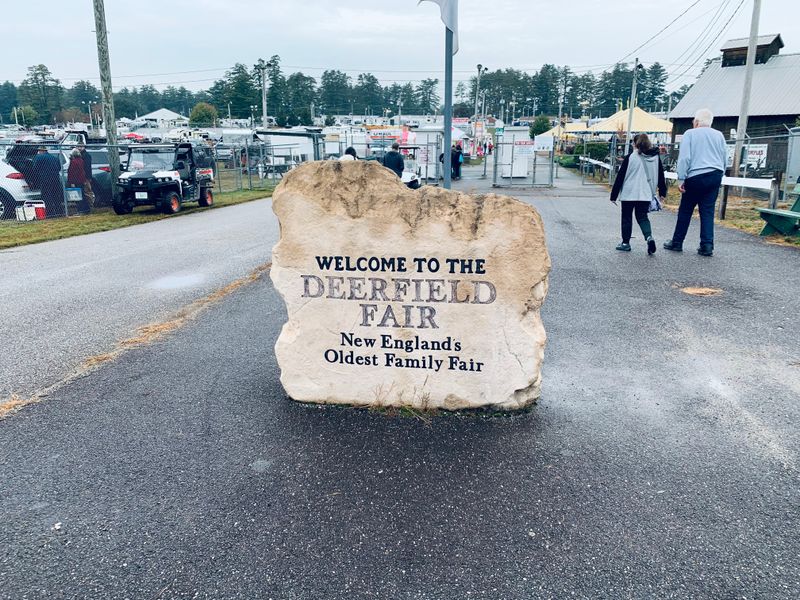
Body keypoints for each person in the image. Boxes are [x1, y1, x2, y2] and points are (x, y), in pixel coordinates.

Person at [663, 108, 727, 257]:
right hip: (715, 174)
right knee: (707, 211)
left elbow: (685, 158)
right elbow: (725, 157)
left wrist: (681, 178)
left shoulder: (690, 134)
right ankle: (707, 245)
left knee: (685, 210)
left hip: (695, 176)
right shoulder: (719, 135)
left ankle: (677, 242)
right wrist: (720, 174)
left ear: (697, 121)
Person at [610, 133, 666, 255]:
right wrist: (663, 192)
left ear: (635, 144)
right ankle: (649, 237)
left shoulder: (630, 157)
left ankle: (625, 243)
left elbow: (620, 177)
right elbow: (661, 175)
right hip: (645, 193)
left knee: (626, 217)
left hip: (629, 193)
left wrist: (614, 195)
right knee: (642, 217)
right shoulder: (655, 157)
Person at [32, 146, 64, 218]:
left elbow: (35, 168)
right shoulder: (54, 158)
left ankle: (50, 213)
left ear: (41, 151)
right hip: (55, 179)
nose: (38, 152)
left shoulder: (39, 157)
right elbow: (59, 168)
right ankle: (59, 212)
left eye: (39, 151)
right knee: (56, 196)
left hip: (45, 179)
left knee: (47, 196)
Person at [67, 148, 90, 213]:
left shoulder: (74, 162)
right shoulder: (81, 160)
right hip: (81, 180)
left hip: (76, 181)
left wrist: (71, 182)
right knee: (82, 194)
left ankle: (81, 209)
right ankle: (86, 208)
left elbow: (72, 172)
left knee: (78, 196)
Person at [76, 143, 95, 208]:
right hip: (80, 177)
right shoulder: (78, 155)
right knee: (83, 191)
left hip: (86, 177)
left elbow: (87, 167)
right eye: (78, 147)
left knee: (87, 191)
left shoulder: (86, 155)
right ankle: (85, 205)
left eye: (81, 147)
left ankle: (91, 205)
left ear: (84, 147)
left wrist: (88, 177)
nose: (79, 148)